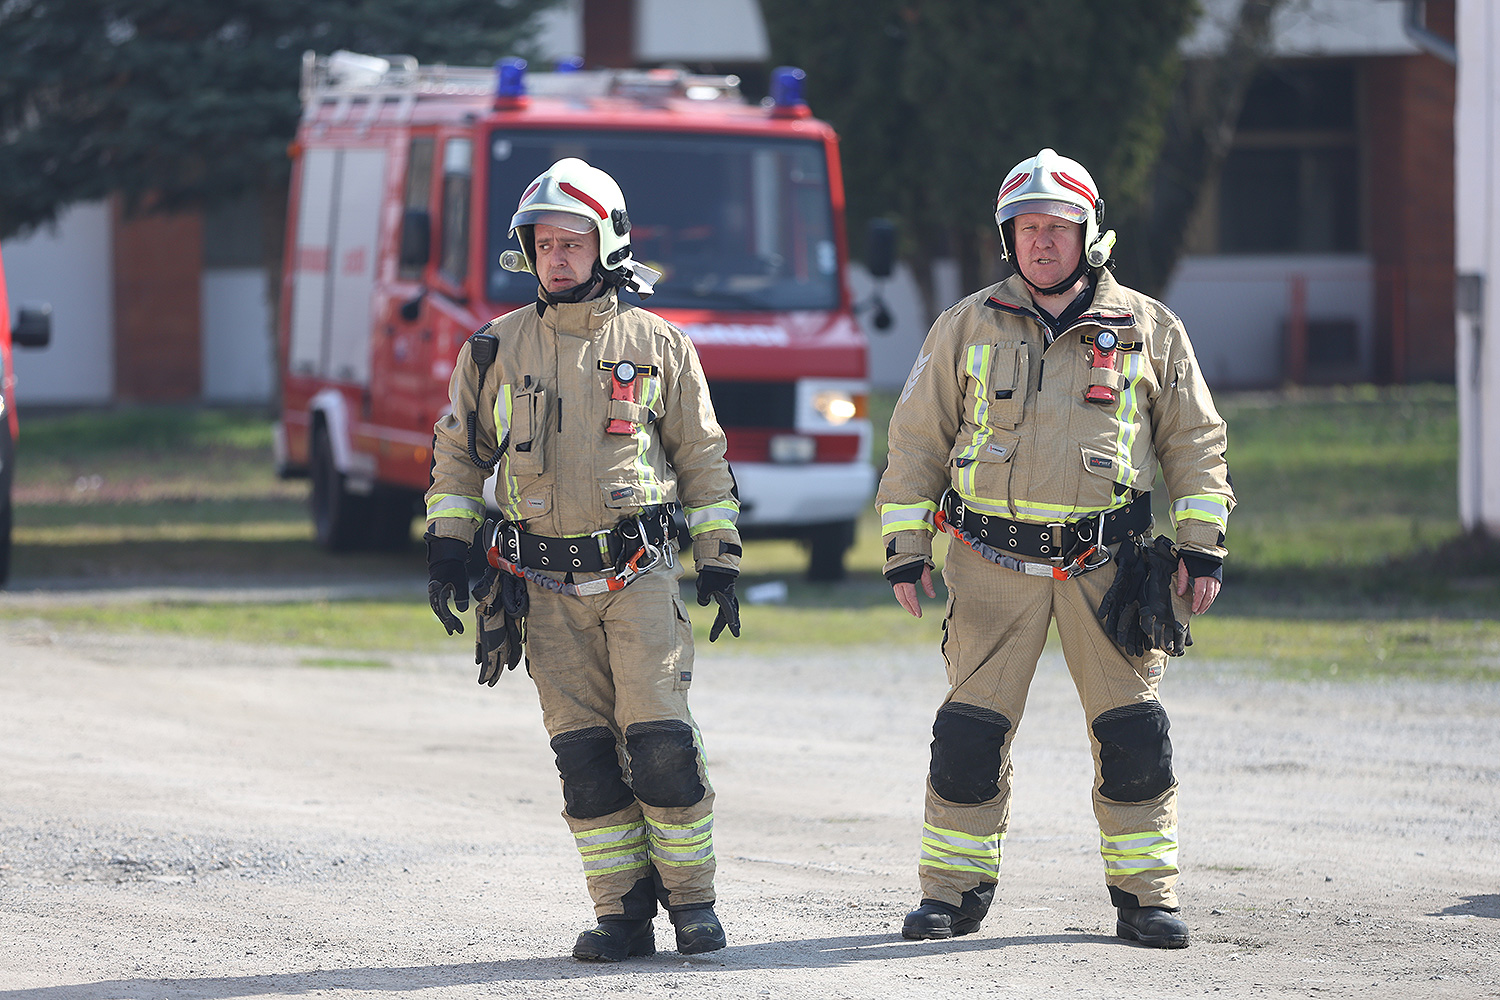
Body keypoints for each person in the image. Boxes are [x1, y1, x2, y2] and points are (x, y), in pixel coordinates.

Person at [876, 148, 1234, 949]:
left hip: (1107, 568)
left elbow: (1195, 442)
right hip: (988, 564)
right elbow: (916, 440)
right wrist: (905, 546)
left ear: (1089, 234)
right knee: (969, 734)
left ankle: (1146, 898)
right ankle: (951, 895)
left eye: (1058, 227)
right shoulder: (964, 324)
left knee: (1133, 734)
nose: (1041, 242)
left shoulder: (1149, 328)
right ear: (1009, 237)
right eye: (1027, 227)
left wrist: (1202, 547)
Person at [424, 157, 743, 962]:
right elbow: (458, 455)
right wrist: (448, 547)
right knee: (586, 758)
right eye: (543, 243)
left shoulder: (660, 345)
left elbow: (703, 458)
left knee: (661, 744)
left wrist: (720, 557)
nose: (556, 257)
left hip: (638, 577)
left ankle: (693, 903)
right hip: (541, 589)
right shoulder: (493, 349)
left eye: (572, 241)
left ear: (609, 245)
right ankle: (622, 913)